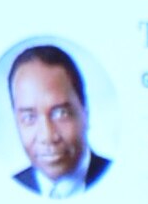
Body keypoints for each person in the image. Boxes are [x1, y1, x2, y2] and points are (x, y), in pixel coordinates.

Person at [9, 41, 111, 192]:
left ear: (85, 112)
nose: (47, 137)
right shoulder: (8, 188)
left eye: (60, 114)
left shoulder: (120, 176)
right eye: (29, 118)